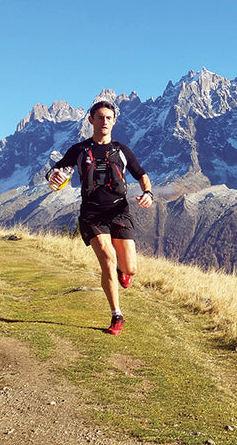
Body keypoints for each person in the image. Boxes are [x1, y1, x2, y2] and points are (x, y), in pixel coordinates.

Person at [46, 100, 153, 335]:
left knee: (130, 268)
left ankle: (122, 273)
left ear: (114, 121)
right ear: (91, 120)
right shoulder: (79, 150)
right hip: (92, 213)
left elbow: (141, 174)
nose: (104, 121)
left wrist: (148, 193)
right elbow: (57, 170)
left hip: (119, 211)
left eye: (108, 118)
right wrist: (52, 176)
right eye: (100, 117)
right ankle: (117, 315)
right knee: (107, 258)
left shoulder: (122, 151)